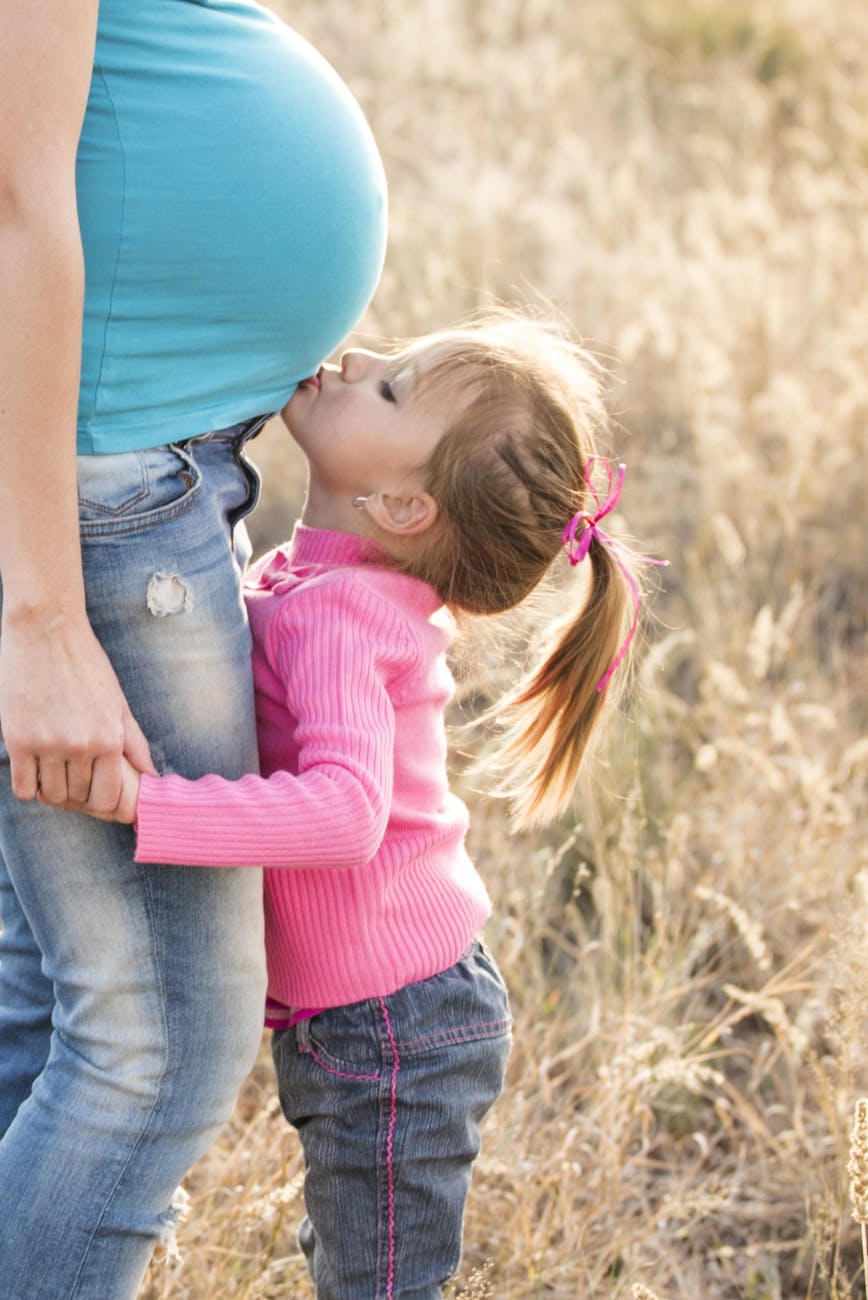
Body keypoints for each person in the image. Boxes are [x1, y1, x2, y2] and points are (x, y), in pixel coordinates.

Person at [69, 311, 665, 1298]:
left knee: (380, 1281)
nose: (360, 358)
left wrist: (148, 804)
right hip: (385, 1014)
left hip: (399, 1027)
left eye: (390, 388)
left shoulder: (341, 616)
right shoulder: (321, 580)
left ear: (399, 505)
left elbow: (345, 811)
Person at [0, 2, 387, 1297]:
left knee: (49, 998)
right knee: (155, 1041)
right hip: (90, 479)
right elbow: (11, 195)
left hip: (120, 462)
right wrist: (42, 619)